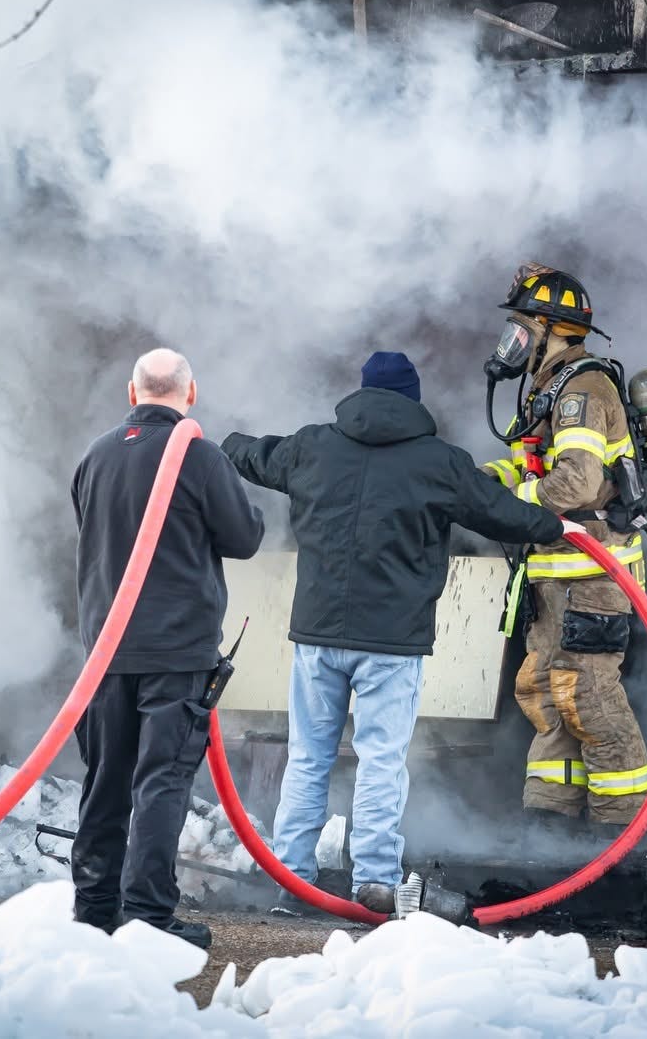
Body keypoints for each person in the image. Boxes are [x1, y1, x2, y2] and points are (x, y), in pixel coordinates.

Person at [222, 351, 564, 913]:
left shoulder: (312, 447)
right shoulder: (439, 462)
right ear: (412, 401)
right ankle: (374, 881)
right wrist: (558, 525)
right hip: (392, 645)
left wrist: (220, 439)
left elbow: (254, 456)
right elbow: (503, 513)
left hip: (317, 637)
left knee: (308, 758)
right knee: (380, 761)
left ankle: (291, 880)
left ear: (360, 394)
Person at [68, 347, 265, 949]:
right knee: (161, 782)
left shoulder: (95, 456)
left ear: (132, 393)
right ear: (191, 393)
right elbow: (243, 539)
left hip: (106, 653)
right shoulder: (200, 458)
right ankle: (148, 916)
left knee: (105, 781)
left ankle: (93, 911)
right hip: (177, 654)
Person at [479, 265, 647, 827]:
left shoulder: (582, 389)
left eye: (522, 327)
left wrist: (510, 503)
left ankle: (621, 827)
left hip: (592, 577)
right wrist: (479, 483)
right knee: (546, 694)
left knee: (589, 698)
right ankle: (550, 824)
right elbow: (536, 468)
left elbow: (575, 484)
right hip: (555, 575)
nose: (512, 340)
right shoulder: (548, 386)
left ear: (553, 329)